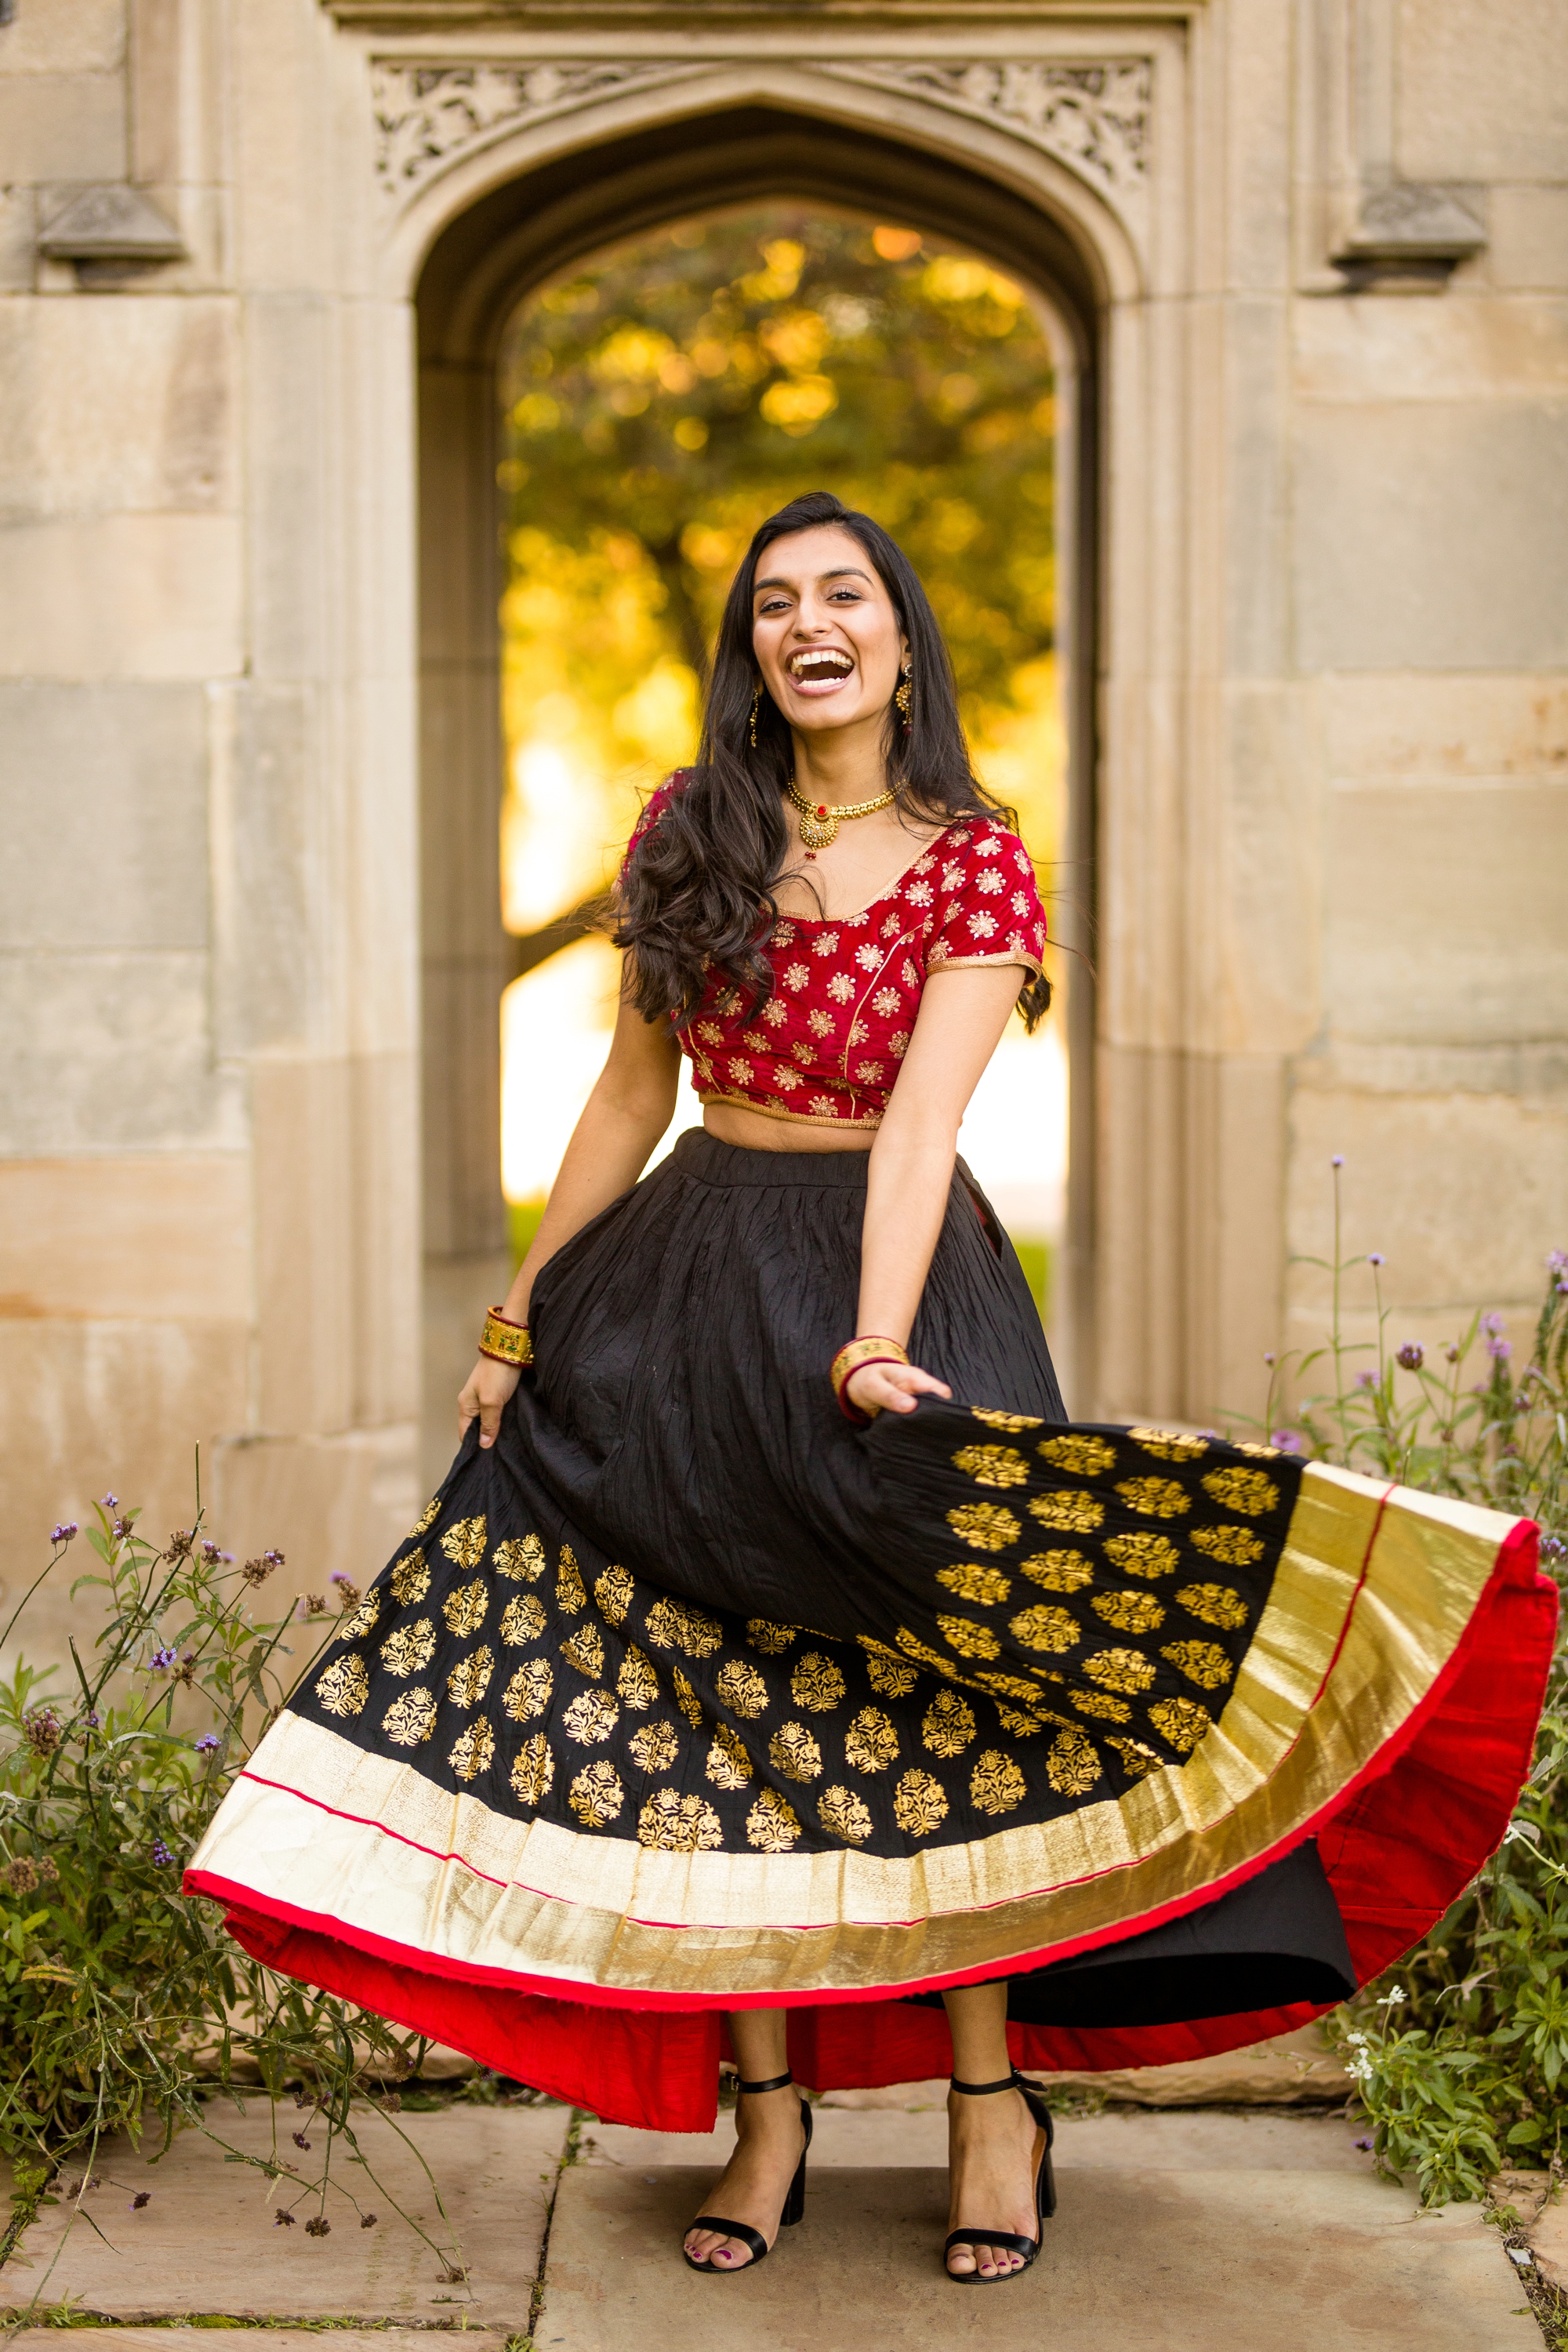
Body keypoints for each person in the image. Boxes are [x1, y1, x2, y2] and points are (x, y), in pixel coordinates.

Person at [190, 491, 1555, 2288]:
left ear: (903, 642)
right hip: (679, 1283)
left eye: (844, 595)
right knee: (710, 1709)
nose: (807, 621)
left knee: (940, 1693)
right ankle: (769, 2119)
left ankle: (992, 2103)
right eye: (775, 602)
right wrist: (515, 1318)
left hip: (887, 1286)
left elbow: (923, 1124)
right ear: (751, 649)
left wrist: (869, 1337)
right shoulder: (689, 829)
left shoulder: (977, 860)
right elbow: (624, 1093)